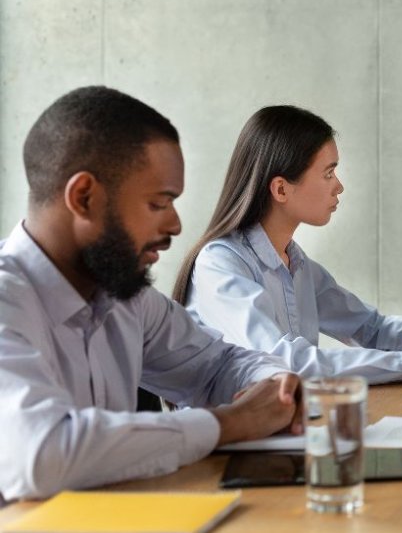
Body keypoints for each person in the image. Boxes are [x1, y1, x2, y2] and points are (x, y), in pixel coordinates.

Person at [0, 87, 303, 502]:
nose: (177, 226)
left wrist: (272, 385)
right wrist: (229, 424)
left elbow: (218, 364)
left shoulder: (124, 295)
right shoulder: (7, 300)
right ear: (83, 197)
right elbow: (42, 454)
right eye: (160, 203)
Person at [175, 106, 402, 383]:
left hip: (283, 429)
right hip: (227, 445)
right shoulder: (220, 265)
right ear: (281, 189)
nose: (339, 186)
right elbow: (286, 364)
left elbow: (369, 328)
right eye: (328, 174)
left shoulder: (297, 264)